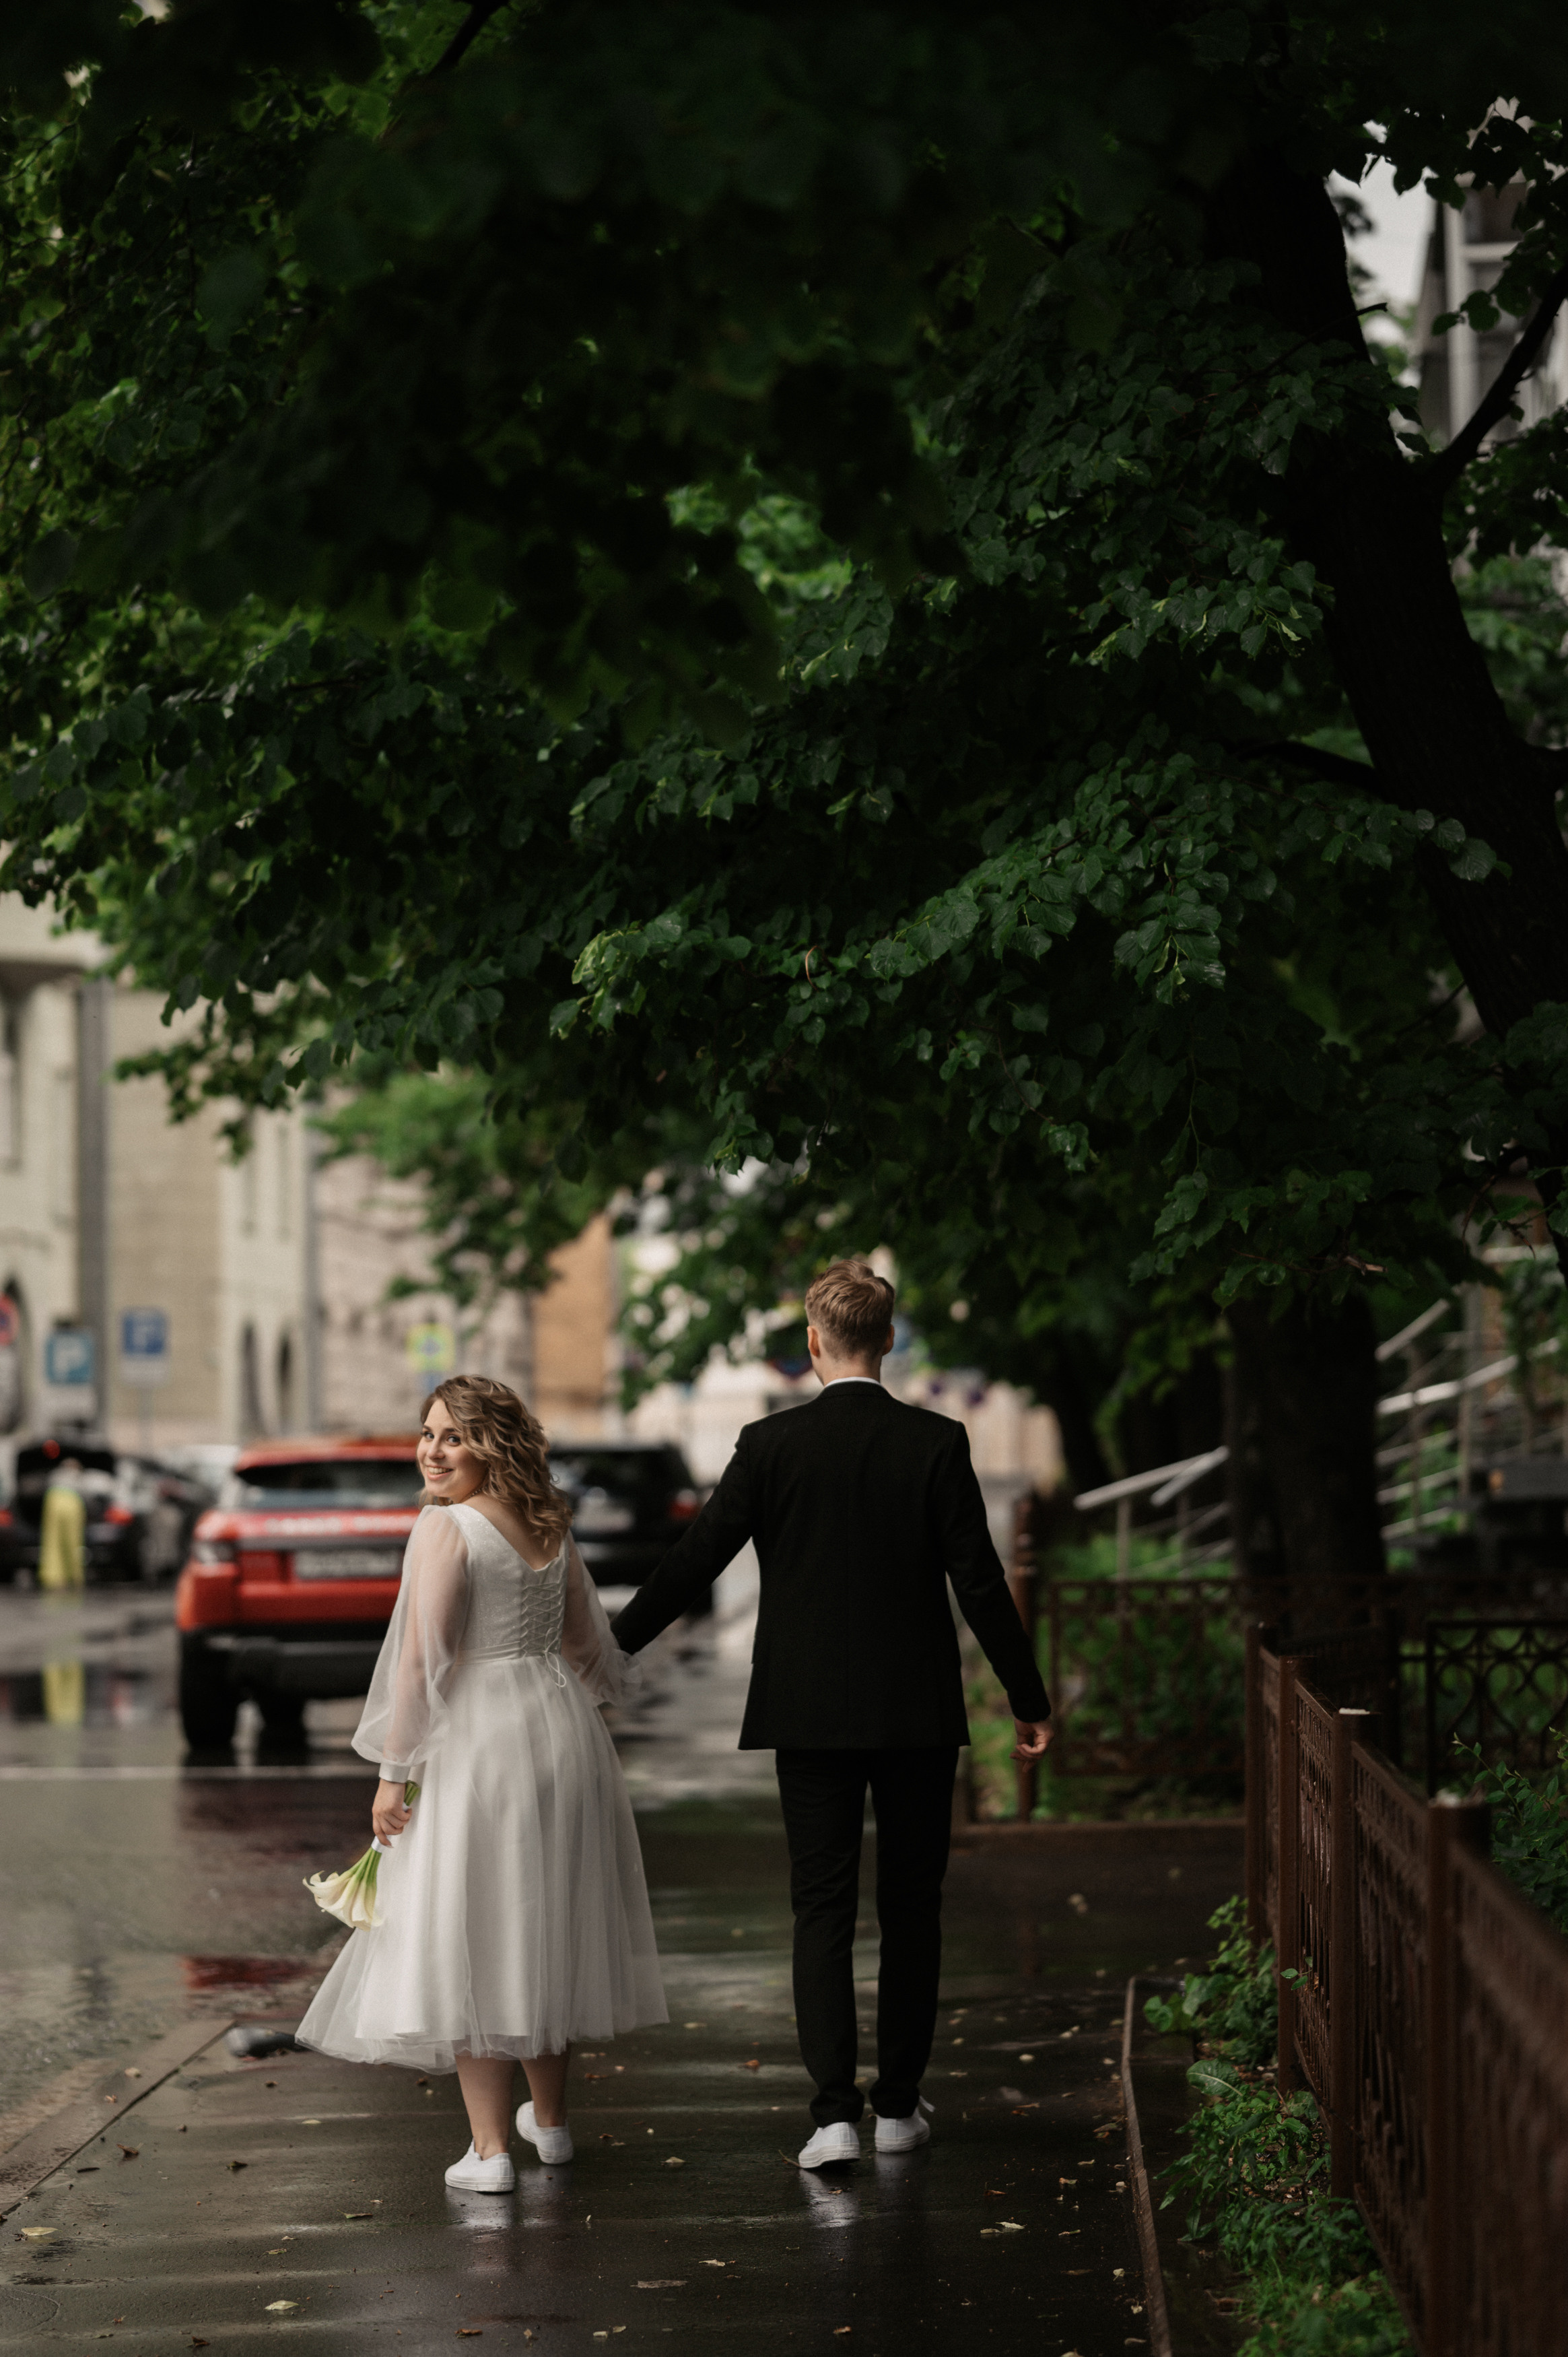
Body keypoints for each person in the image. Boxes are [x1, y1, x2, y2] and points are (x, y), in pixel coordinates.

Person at [612, 1259, 1052, 2168]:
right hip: (918, 1712)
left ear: (811, 1342)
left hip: (805, 1711)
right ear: (888, 1340)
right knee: (910, 1908)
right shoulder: (936, 1443)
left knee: (820, 1908)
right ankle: (897, 2108)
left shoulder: (769, 1446)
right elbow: (977, 1580)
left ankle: (831, 2118)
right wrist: (1026, 1695)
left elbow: (694, 1560)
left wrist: (612, 1648)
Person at [296, 1374, 667, 2192]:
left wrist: (393, 1774)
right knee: (546, 1918)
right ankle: (555, 2125)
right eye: (426, 1433)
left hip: (479, 1738)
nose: (431, 1450)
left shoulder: (444, 1528)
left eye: (452, 1436)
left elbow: (424, 1664)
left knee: (479, 1928)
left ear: (491, 1444)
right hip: (562, 1730)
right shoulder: (548, 1525)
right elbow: (585, 1646)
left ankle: (491, 2151)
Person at [38, 1455, 86, 1591]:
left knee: (52, 1541)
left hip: (53, 1501)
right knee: (73, 1541)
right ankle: (74, 1577)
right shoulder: (79, 1477)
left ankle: (52, 1577)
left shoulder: (54, 1476)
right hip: (71, 1502)